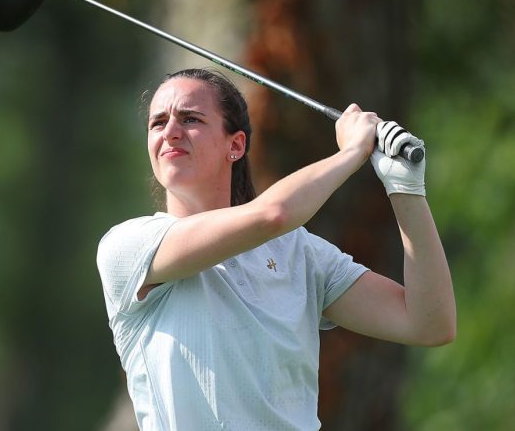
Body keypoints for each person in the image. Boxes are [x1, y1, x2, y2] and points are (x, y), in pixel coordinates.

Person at [96, 68, 455, 430]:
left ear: (235, 145)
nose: (170, 131)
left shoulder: (300, 253)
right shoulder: (129, 248)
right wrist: (351, 153)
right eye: (157, 123)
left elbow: (430, 323)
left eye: (191, 119)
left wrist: (406, 190)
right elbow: (273, 214)